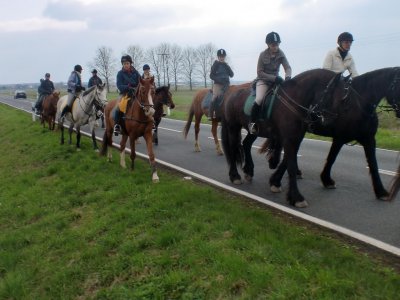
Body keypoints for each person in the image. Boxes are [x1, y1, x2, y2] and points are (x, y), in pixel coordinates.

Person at [249, 32, 292, 134]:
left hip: (276, 81)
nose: (276, 47)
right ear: (268, 44)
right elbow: (259, 72)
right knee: (259, 99)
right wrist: (274, 78)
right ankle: (252, 123)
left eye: (277, 45)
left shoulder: (281, 54)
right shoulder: (262, 55)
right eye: (273, 45)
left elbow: (288, 67)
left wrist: (288, 77)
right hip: (263, 81)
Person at [113, 55, 141, 135]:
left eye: (127, 63)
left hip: (135, 93)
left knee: (146, 103)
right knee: (119, 107)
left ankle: (150, 121)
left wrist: (136, 88)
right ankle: (117, 125)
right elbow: (119, 85)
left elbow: (140, 82)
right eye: (124, 63)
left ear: (130, 63)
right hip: (124, 93)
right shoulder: (120, 73)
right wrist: (128, 87)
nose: (126, 65)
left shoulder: (136, 72)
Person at [209, 49, 234, 120]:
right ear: (218, 57)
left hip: (226, 85)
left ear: (224, 57)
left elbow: (232, 75)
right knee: (215, 97)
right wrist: (218, 79)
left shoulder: (226, 65)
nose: (222, 58)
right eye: (220, 56)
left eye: (223, 57)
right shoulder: (215, 64)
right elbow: (211, 76)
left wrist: (228, 67)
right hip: (218, 85)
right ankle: (210, 114)